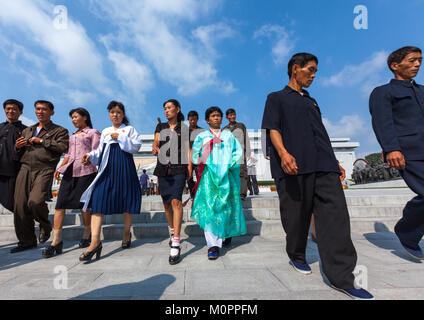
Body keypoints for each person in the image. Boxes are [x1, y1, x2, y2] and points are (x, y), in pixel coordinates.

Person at [261, 52, 373, 300]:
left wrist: (333, 161)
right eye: (310, 70)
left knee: (336, 218)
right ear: (294, 69)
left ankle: (343, 278)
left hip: (324, 166)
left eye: (315, 71)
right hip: (294, 165)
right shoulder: (276, 98)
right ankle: (296, 254)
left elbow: (320, 133)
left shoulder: (312, 101)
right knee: (296, 217)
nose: (313, 75)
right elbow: (272, 128)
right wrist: (283, 153)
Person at [369, 46, 424, 260]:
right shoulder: (383, 92)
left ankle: (409, 232)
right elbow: (383, 123)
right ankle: (406, 231)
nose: (417, 64)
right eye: (411, 60)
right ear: (395, 65)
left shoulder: (422, 91)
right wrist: (391, 148)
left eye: (419, 60)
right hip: (409, 153)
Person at [79, 101, 142, 262]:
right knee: (98, 201)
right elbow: (100, 151)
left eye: (119, 112)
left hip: (125, 167)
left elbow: (136, 147)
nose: (115, 115)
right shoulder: (106, 131)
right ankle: (94, 242)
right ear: (109, 114)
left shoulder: (129, 129)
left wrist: (120, 137)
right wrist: (90, 157)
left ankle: (126, 233)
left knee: (126, 200)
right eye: (112, 112)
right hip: (107, 168)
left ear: (123, 114)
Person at [11, 100, 69, 253]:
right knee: (20, 205)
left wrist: (42, 141)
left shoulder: (60, 130)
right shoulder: (27, 130)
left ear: (52, 112)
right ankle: (26, 241)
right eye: (38, 109)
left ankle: (45, 225)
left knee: (35, 201)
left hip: (45, 168)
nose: (40, 112)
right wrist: (17, 147)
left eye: (44, 109)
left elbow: (63, 147)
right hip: (25, 168)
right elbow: (18, 153)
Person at [42, 108, 100, 258]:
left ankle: (87, 232)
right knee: (60, 204)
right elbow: (68, 154)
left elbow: (97, 151)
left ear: (85, 117)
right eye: (72, 118)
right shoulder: (72, 136)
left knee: (84, 205)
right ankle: (56, 240)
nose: (73, 120)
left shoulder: (93, 133)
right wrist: (60, 168)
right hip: (70, 172)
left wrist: (89, 158)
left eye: (76, 117)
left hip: (87, 172)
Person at [191, 107, 246, 260]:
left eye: (218, 116)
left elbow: (238, 153)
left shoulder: (229, 135)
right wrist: (208, 146)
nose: (216, 118)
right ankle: (212, 245)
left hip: (227, 176)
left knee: (227, 207)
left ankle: (225, 233)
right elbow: (195, 157)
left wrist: (229, 165)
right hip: (209, 178)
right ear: (207, 120)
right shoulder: (202, 136)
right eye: (213, 116)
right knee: (210, 209)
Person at [153, 99, 191, 265]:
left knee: (176, 202)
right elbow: (155, 143)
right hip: (162, 168)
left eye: (169, 108)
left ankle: (176, 241)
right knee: (167, 204)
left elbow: (188, 148)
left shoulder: (184, 128)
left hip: (179, 168)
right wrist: (155, 147)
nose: (166, 111)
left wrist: (189, 167)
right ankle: (172, 230)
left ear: (177, 109)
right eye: (165, 109)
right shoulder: (160, 127)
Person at [0, 99, 27, 213]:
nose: (10, 111)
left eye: (14, 109)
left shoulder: (26, 130)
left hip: (14, 171)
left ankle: (32, 221)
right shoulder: (0, 127)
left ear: (20, 112)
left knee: (11, 202)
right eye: (8, 109)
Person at [223, 108, 251, 201]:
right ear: (227, 117)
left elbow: (246, 138)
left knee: (242, 173)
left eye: (234, 114)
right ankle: (232, 192)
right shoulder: (224, 129)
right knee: (229, 173)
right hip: (228, 155)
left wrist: (248, 152)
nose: (232, 116)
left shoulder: (241, 126)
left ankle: (242, 193)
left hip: (240, 153)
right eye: (230, 115)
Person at [187, 110, 204, 195]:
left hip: (199, 158)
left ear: (197, 119)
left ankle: (200, 194)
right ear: (188, 120)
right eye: (191, 119)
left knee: (200, 176)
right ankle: (192, 193)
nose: (193, 121)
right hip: (188, 158)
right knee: (188, 177)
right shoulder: (184, 131)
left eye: (194, 119)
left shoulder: (202, 131)